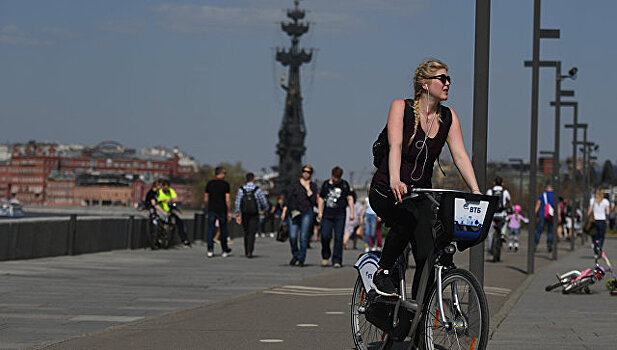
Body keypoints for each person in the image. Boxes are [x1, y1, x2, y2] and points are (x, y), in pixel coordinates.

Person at [369, 59, 482, 298]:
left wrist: (475, 189)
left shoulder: (448, 118)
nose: (448, 83)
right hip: (387, 189)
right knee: (405, 219)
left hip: (420, 194)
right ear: (425, 84)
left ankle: (418, 319)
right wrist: (395, 179)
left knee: (428, 253)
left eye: (449, 78)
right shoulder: (401, 107)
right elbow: (396, 145)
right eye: (442, 78)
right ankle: (383, 271)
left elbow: (460, 156)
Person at [281, 164, 318, 267]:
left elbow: (315, 201)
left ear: (311, 174)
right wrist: (284, 210)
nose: (306, 173)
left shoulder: (313, 186)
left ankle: (301, 258)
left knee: (303, 236)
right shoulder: (295, 184)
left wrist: (309, 191)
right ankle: (296, 254)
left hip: (307, 212)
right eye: (304, 171)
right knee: (292, 236)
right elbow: (288, 198)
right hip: (294, 212)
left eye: (308, 172)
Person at [318, 166, 354, 268]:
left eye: (338, 177)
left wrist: (352, 213)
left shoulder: (344, 184)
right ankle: (325, 255)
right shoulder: (326, 184)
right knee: (325, 236)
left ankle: (337, 260)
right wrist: (320, 212)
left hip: (340, 215)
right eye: (335, 177)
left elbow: (350, 198)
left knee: (338, 238)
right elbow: (321, 198)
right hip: (327, 214)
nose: (336, 179)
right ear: (332, 175)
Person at [235, 172, 269, 258]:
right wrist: (265, 209)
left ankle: (246, 250)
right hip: (254, 213)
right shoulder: (257, 189)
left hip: (245, 213)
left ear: (246, 179)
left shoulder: (241, 189)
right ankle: (250, 251)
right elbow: (263, 201)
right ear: (253, 179)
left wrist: (237, 212)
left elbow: (238, 202)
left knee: (246, 232)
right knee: (252, 232)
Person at [204, 167, 232, 258]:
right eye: (224, 173)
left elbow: (206, 199)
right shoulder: (225, 185)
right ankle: (224, 250)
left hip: (212, 209)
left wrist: (207, 208)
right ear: (221, 173)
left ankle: (210, 250)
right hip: (222, 210)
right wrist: (229, 211)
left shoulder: (209, 184)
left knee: (211, 230)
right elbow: (227, 200)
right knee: (223, 230)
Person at [157, 180, 191, 247]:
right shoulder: (159, 192)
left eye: (168, 188)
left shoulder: (170, 191)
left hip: (169, 212)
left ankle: (184, 239)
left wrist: (170, 200)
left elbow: (176, 199)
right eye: (165, 188)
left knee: (179, 223)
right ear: (162, 187)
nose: (166, 190)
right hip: (161, 212)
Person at [486, 176, 511, 253]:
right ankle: (503, 234)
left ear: (494, 183)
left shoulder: (490, 191)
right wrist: (511, 210)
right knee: (504, 223)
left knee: (490, 233)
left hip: (492, 214)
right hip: (501, 214)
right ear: (502, 184)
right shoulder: (505, 192)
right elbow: (509, 202)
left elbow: (487, 201)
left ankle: (490, 248)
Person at [535, 183, 556, 253]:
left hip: (543, 214)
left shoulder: (542, 195)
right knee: (550, 231)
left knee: (539, 230)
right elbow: (558, 206)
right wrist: (558, 215)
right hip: (551, 215)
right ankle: (549, 244)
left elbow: (538, 204)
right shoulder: (554, 195)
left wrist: (535, 213)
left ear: (546, 188)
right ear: (552, 189)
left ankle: (535, 244)